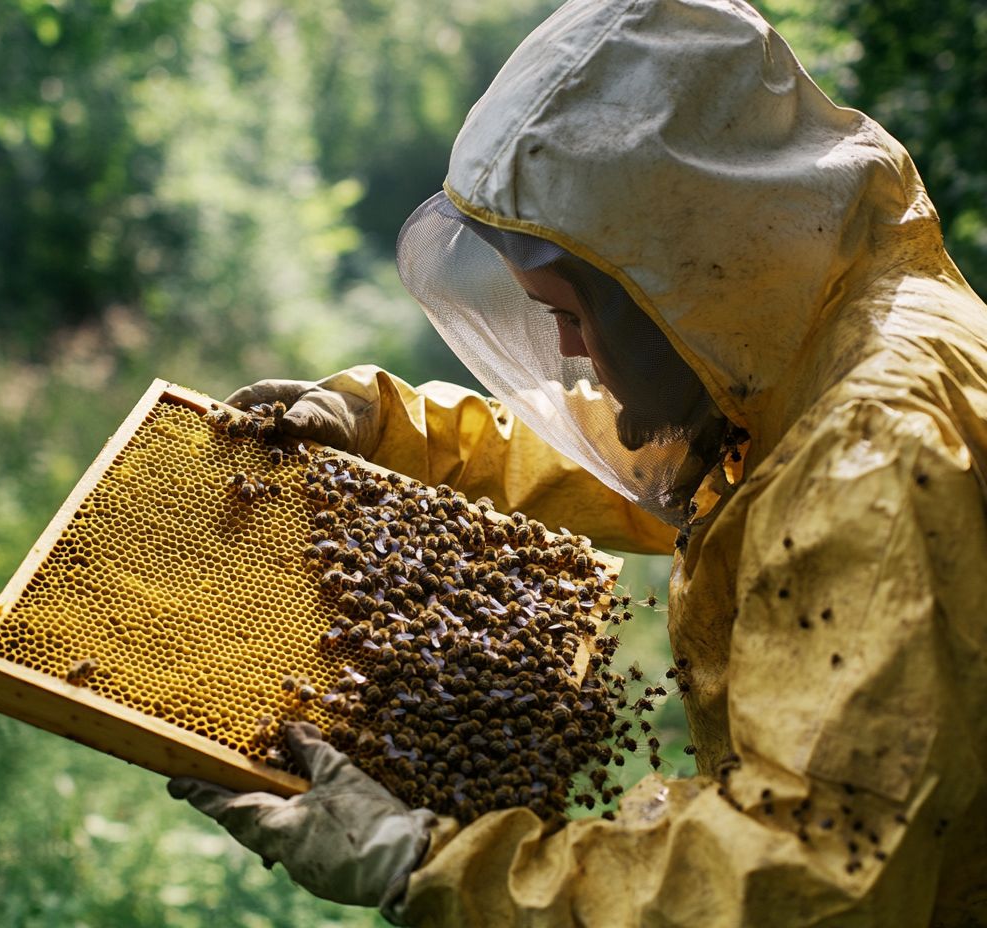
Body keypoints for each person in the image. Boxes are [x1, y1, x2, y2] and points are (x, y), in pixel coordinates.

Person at [168, 0, 987, 924]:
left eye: (567, 314)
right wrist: (391, 430)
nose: (567, 354)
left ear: (673, 280)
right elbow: (646, 463)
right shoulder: (826, 341)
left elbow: (810, 881)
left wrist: (430, 866)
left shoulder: (868, 464)